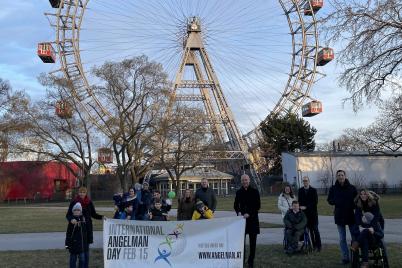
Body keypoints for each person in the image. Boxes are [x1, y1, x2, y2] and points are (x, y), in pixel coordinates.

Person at [327, 170, 359, 265]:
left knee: (354, 237)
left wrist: (353, 206)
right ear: (336, 177)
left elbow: (357, 201)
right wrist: (335, 201)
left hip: (350, 216)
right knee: (342, 239)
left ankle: (355, 257)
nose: (340, 177)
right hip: (339, 215)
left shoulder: (352, 188)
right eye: (339, 175)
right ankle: (345, 258)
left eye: (342, 175)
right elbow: (329, 200)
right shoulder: (333, 188)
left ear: (345, 176)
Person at [66, 186, 103, 268]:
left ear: (86, 193)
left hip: (87, 229)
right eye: (80, 192)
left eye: (83, 192)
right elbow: (68, 214)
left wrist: (102, 217)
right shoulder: (74, 202)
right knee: (76, 252)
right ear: (78, 193)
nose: (82, 194)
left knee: (86, 251)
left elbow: (94, 214)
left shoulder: (89, 202)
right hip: (76, 229)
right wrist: (71, 219)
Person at [234, 174, 260, 268]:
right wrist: (239, 212)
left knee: (253, 243)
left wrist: (249, 213)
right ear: (241, 181)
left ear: (249, 180)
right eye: (243, 180)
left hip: (253, 220)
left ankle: (251, 261)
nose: (245, 181)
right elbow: (236, 205)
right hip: (242, 221)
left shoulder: (255, 191)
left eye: (246, 180)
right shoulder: (238, 192)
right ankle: (242, 260)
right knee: (242, 244)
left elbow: (257, 206)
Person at [298, 176, 322, 251]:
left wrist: (306, 207)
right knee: (310, 231)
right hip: (304, 215)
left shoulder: (313, 190)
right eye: (304, 181)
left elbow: (315, 202)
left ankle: (319, 246)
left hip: (313, 214)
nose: (305, 182)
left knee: (315, 230)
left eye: (306, 181)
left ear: (309, 181)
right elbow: (299, 201)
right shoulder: (300, 190)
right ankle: (313, 246)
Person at [65, 202, 89, 268]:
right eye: (75, 210)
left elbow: (85, 233)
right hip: (73, 245)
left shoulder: (83, 221)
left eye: (78, 210)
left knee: (82, 259)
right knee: (73, 259)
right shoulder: (72, 222)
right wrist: (67, 245)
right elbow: (68, 234)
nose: (76, 211)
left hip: (82, 246)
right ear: (73, 212)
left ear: (80, 212)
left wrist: (86, 243)